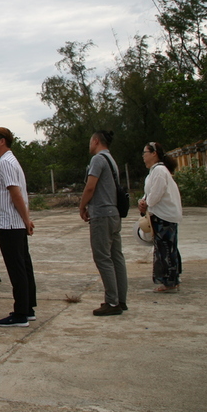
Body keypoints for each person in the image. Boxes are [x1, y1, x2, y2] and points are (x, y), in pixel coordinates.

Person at [0, 127, 37, 327]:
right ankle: (28, 307)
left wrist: (26, 219)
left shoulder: (6, 163)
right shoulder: (9, 161)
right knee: (23, 265)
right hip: (13, 222)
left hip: (10, 223)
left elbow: (15, 193)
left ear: (2, 141)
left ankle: (20, 313)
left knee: (17, 268)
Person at [79, 130, 128, 316]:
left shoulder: (98, 160)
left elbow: (90, 186)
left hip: (102, 214)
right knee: (116, 258)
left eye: (91, 141)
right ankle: (120, 299)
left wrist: (82, 206)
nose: (89, 144)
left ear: (96, 141)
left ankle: (112, 301)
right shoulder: (111, 160)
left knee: (102, 257)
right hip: (113, 214)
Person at [139, 142, 183, 292]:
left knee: (166, 249)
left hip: (164, 216)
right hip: (160, 214)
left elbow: (156, 193)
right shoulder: (154, 171)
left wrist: (147, 204)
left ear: (154, 154)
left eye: (145, 152)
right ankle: (171, 278)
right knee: (165, 248)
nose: (143, 156)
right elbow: (149, 192)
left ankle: (171, 282)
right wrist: (143, 201)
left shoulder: (159, 171)